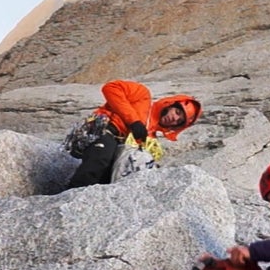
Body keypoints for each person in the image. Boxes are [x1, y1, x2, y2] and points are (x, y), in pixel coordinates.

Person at [67, 80, 202, 189]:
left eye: (179, 121)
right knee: (100, 159)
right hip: (102, 128)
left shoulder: (150, 138)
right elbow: (111, 88)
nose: (174, 119)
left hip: (116, 144)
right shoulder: (142, 95)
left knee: (110, 174)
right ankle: (69, 198)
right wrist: (134, 121)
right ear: (170, 105)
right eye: (177, 113)